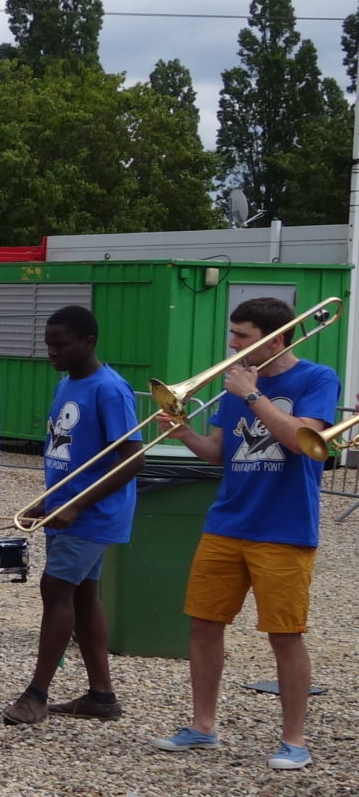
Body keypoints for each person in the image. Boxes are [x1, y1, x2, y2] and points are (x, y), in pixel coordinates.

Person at [151, 296, 341, 771]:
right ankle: (202, 725)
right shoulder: (237, 385)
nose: (232, 345)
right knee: (203, 623)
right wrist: (185, 434)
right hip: (226, 522)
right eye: (232, 335)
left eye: (242, 337)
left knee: (285, 634)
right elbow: (220, 451)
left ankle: (294, 740)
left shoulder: (316, 378)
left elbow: (306, 442)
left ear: (276, 338)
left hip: (285, 528)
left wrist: (253, 395)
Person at [3, 304, 140, 727]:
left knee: (55, 588)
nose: (52, 353)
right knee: (82, 595)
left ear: (89, 341)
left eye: (61, 345)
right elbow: (71, 452)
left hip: (93, 514)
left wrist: (77, 504)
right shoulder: (66, 383)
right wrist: (47, 501)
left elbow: (133, 459)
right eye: (48, 345)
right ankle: (101, 696)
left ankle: (37, 694)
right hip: (66, 509)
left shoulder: (110, 389)